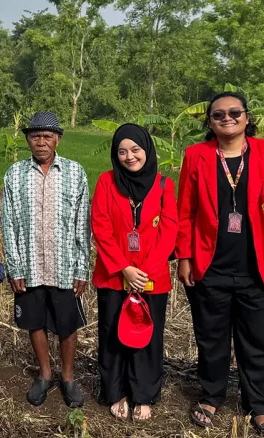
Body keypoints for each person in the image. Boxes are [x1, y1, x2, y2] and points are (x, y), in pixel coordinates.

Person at [175, 93, 264, 438]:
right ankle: (212, 395)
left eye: (234, 112)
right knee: (210, 338)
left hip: (259, 267)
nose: (227, 118)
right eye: (218, 114)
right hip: (209, 266)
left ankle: (258, 405)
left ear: (246, 117)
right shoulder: (196, 155)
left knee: (257, 340)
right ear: (209, 121)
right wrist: (184, 256)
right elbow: (186, 212)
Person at [2, 111, 91, 408]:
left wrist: (81, 267)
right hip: (29, 265)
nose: (41, 141)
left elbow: (82, 223)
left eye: (47, 136)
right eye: (35, 136)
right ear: (28, 139)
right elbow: (10, 223)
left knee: (67, 325)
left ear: (58, 139)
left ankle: (67, 377)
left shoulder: (76, 172)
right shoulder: (14, 174)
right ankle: (44, 374)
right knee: (34, 322)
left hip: (65, 265)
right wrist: (14, 266)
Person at [90, 124, 178, 420]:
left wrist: (144, 273)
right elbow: (100, 226)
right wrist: (125, 269)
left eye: (136, 150)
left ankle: (144, 394)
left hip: (151, 278)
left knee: (148, 336)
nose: (129, 157)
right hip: (114, 275)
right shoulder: (105, 182)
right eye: (122, 151)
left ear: (147, 150)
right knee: (112, 334)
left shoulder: (164, 184)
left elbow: (169, 230)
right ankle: (115, 392)